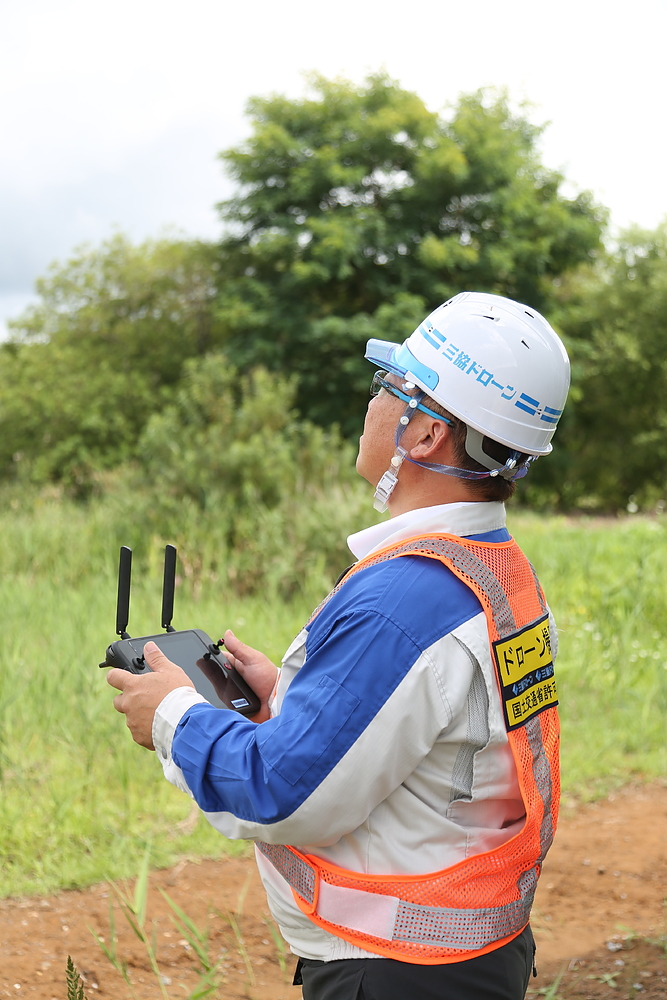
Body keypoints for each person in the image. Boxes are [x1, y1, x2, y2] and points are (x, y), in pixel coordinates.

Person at [108, 291, 569, 1000]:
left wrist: (172, 714)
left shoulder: (401, 601)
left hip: (392, 972)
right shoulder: (490, 568)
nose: (373, 402)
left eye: (390, 386)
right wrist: (291, 702)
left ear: (423, 436)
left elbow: (278, 794)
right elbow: (426, 743)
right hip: (470, 953)